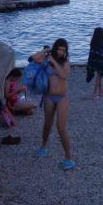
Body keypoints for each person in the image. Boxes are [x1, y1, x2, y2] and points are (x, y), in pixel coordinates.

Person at [34, 39, 74, 171]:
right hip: (49, 97)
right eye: (59, 49)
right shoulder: (46, 61)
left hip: (63, 97)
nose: (61, 52)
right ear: (55, 48)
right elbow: (34, 58)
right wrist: (46, 50)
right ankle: (43, 146)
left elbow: (65, 75)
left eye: (63, 50)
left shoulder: (65, 62)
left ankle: (68, 158)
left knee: (60, 127)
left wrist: (55, 62)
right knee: (47, 125)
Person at [86, 27, 103, 99]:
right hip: (102, 62)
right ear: (102, 34)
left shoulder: (93, 42)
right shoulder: (102, 42)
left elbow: (92, 53)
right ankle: (94, 93)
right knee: (99, 76)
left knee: (99, 75)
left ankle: (100, 90)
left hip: (95, 62)